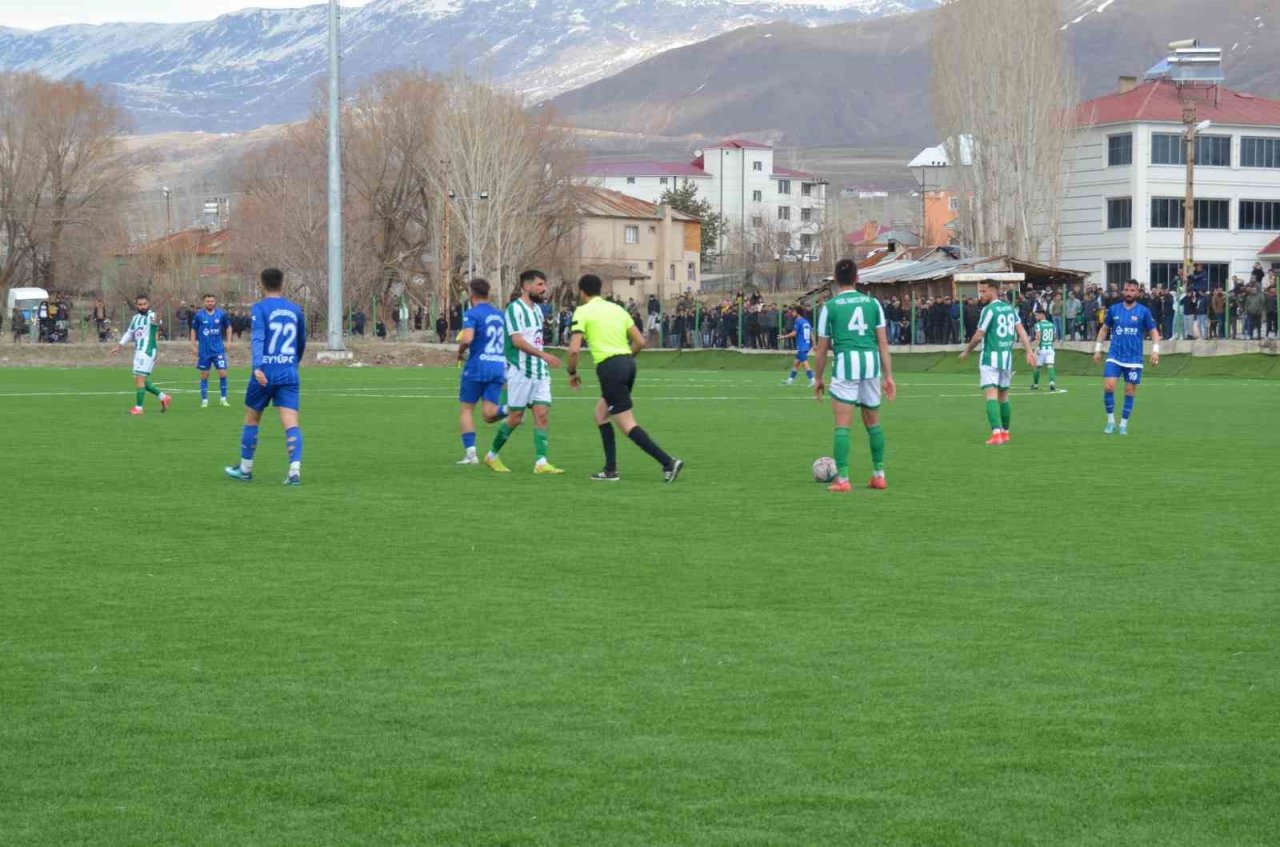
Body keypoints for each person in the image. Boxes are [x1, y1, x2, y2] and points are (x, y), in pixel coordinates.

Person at [566, 273, 683, 483]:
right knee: (601, 414)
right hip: (628, 364)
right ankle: (610, 470)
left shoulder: (582, 311)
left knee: (627, 424)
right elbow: (639, 341)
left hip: (610, 367)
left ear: (581, 292)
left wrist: (572, 373)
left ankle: (668, 462)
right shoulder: (617, 309)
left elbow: (574, 350)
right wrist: (626, 359)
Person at [811, 258, 896, 493]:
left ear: (836, 280)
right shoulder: (873, 304)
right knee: (874, 424)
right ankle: (879, 475)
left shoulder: (830, 306)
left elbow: (821, 348)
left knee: (842, 425)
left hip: (846, 365)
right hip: (871, 365)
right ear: (857, 278)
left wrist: (818, 378)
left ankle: (844, 479)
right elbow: (883, 343)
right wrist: (888, 376)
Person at [223, 269, 306, 484]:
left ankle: (245, 469)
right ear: (282, 284)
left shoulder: (260, 309)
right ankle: (294, 471)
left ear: (261, 284)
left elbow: (258, 338)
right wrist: (293, 363)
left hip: (265, 371)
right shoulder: (295, 310)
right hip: (289, 371)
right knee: (291, 422)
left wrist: (257, 367)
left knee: (252, 418)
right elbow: (301, 341)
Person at [483, 270, 565, 475]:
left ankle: (541, 462)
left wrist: (542, 358)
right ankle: (492, 456)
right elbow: (518, 341)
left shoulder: (538, 310)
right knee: (516, 417)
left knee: (542, 414)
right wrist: (543, 355)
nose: (543, 289)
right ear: (526, 286)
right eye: (539, 285)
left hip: (540, 371)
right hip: (521, 370)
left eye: (544, 285)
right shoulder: (514, 309)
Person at [959, 281, 1036, 445]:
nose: (981, 295)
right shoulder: (1010, 308)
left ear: (993, 290)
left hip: (990, 358)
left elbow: (979, 336)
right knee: (1004, 396)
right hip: (1006, 359)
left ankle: (996, 434)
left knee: (991, 395)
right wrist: (1029, 350)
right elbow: (1021, 330)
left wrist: (967, 351)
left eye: (984, 291)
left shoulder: (988, 310)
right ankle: (1006, 433)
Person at [1093, 279, 1160, 436]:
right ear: (1123, 291)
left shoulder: (1143, 311)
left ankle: (1123, 424)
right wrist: (1097, 349)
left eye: (1132, 291)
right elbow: (1104, 329)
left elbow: (1154, 332)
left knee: (1129, 391)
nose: (1129, 293)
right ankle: (1110, 422)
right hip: (1115, 355)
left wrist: (1155, 350)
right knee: (1109, 387)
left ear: (1137, 293)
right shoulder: (1114, 310)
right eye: (1127, 290)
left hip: (1134, 359)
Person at [455, 278, 507, 465]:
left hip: (478, 365)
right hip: (498, 365)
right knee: (489, 413)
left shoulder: (472, 313)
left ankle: (471, 455)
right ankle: (511, 409)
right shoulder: (500, 314)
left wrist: (460, 352)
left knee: (467, 409)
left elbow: (467, 338)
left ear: (472, 294)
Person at [111, 294, 172, 416]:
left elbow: (157, 322)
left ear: (148, 304)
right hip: (138, 350)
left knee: (139, 379)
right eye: (140, 304)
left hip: (148, 350)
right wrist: (119, 345)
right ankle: (163, 397)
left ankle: (139, 408)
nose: (142, 306)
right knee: (140, 379)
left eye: (145, 304)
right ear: (136, 305)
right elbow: (129, 333)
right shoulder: (135, 318)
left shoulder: (152, 316)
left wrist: (157, 319)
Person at [190, 293, 231, 408]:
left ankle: (223, 399)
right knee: (204, 375)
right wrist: (193, 346)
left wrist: (228, 342)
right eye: (208, 301)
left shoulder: (221, 314)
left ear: (215, 302)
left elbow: (228, 327)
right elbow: (193, 330)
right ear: (204, 302)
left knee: (223, 372)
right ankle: (204, 400)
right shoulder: (199, 315)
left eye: (212, 301)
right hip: (204, 351)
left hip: (218, 349)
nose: (210, 303)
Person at [778, 307, 814, 387]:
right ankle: (790, 380)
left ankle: (813, 380)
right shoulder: (806, 321)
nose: (792, 313)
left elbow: (794, 333)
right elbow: (811, 334)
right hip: (807, 344)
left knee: (805, 363)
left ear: (797, 312)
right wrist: (814, 345)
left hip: (802, 345)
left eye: (793, 311)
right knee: (796, 363)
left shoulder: (798, 321)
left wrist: (783, 337)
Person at [1030, 307, 1057, 391]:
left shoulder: (1038, 325)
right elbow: (1055, 337)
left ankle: (1035, 385)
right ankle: (1052, 382)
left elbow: (1038, 338)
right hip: (1050, 348)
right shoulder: (1052, 325)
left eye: (1037, 315)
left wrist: (1035, 349)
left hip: (1041, 349)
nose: (1035, 317)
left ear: (1042, 315)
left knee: (1036, 367)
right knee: (1050, 366)